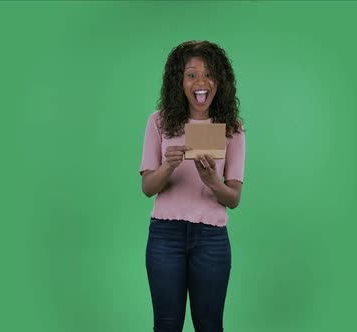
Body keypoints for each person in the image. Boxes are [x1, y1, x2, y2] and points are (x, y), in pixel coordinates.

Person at [139, 40, 246, 332]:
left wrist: (213, 182)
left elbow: (234, 198)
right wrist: (168, 166)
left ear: (219, 80)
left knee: (210, 326)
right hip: (165, 236)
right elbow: (148, 187)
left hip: (211, 238)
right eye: (191, 75)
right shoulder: (159, 122)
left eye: (209, 74)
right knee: (166, 324)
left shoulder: (232, 129)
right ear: (179, 81)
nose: (201, 82)